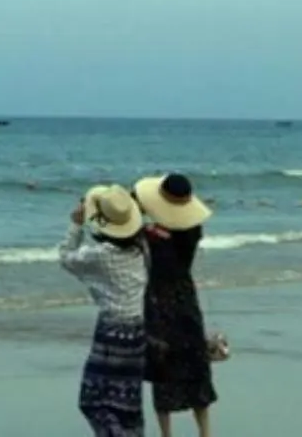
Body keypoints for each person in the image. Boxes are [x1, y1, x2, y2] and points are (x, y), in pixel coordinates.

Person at [60, 184, 148, 437]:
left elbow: (66, 257)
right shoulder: (141, 248)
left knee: (93, 401)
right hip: (138, 329)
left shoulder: (100, 255)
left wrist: (76, 224)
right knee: (128, 404)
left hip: (112, 331)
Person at [134, 174, 216, 437]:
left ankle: (166, 433)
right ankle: (205, 431)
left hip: (158, 298)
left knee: (162, 363)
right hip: (185, 295)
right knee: (196, 362)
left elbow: (128, 224)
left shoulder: (153, 236)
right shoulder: (192, 230)